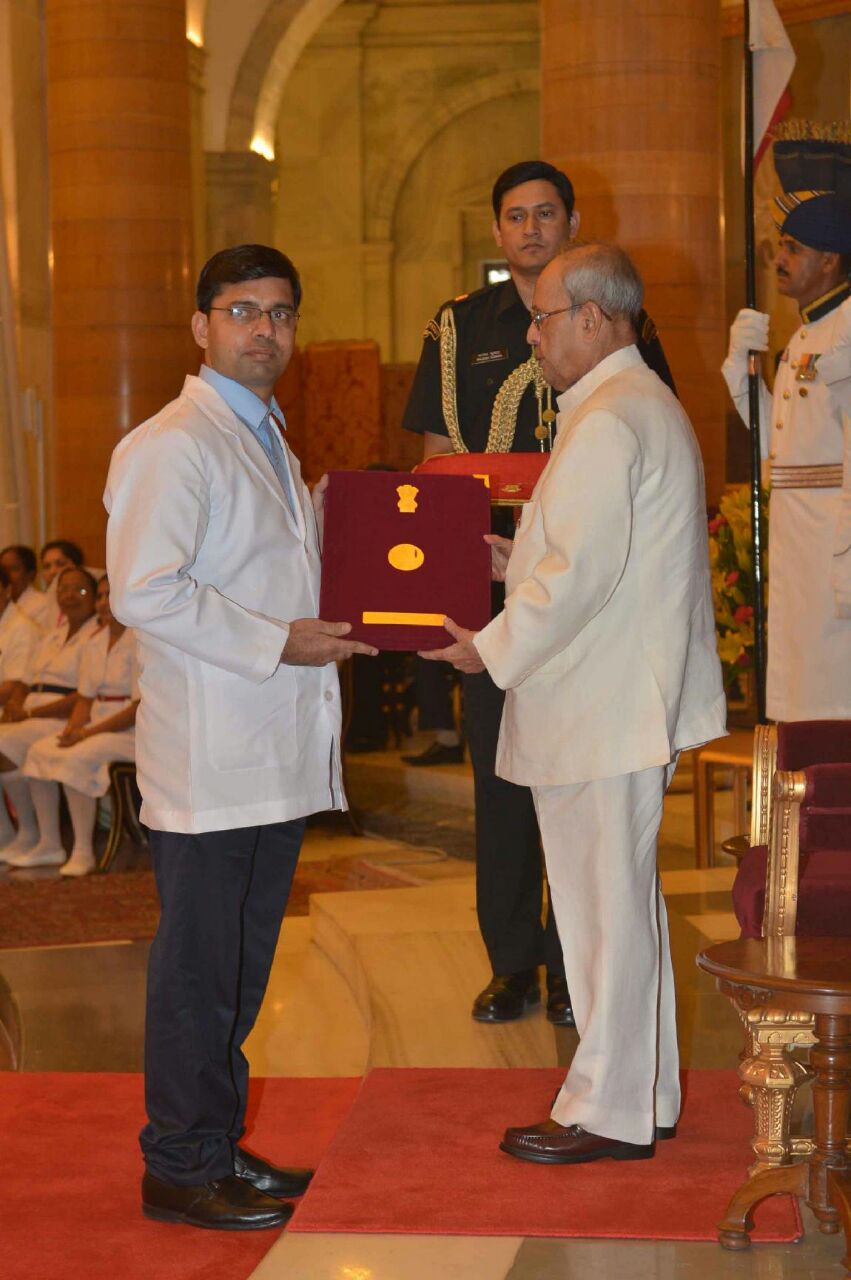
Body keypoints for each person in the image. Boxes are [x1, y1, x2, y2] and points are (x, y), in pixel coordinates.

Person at [422, 242, 725, 1163]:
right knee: (617, 907)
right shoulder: (631, 404)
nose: (531, 335)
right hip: (618, 698)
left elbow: (580, 577)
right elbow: (591, 555)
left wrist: (486, 648)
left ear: (593, 317)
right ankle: (643, 1095)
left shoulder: (605, 419)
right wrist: (512, 559)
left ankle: (603, 1109)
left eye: (543, 317)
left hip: (602, 703)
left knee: (600, 915)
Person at [104, 243, 377, 1232]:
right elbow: (144, 590)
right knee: (198, 974)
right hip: (211, 758)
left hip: (268, 753)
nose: (265, 329)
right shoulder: (173, 443)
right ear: (201, 326)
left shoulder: (266, 437)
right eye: (242, 310)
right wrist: (278, 642)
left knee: (238, 971)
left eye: (281, 313)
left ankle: (214, 1145)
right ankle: (179, 1165)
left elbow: (274, 568)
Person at [402, 159, 676, 1027]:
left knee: (579, 785)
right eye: (514, 216)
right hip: (494, 580)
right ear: (496, 231)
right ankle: (513, 961)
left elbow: (637, 441)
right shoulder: (459, 325)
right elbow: (438, 461)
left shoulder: (615, 322)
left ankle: (572, 968)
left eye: (545, 213)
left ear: (571, 223)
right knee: (501, 780)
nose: (529, 229)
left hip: (587, 592)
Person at [722, 192, 851, 719]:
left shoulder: (845, 330)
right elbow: (778, 448)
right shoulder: (805, 335)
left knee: (833, 692)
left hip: (832, 540)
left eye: (794, 249)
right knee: (804, 690)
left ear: (830, 259)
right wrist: (740, 366)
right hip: (799, 540)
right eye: (781, 246)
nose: (779, 259)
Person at [22, 574, 138, 877]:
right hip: (96, 727)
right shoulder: (94, 642)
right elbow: (85, 700)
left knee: (76, 756)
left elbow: (136, 709)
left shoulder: (140, 640)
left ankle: (83, 851)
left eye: (110, 595)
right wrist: (71, 730)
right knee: (40, 750)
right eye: (99, 596)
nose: (103, 603)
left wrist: (85, 733)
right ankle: (49, 844)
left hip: (132, 732)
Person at [0, 566, 99, 865]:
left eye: (79, 589)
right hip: (32, 714)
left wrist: (29, 712)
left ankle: (31, 833)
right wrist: (15, 708)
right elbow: (26, 682)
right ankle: (15, 833)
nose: (69, 596)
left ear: (95, 596)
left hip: (63, 717)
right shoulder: (52, 637)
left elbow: (82, 695)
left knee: (4, 744)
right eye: (63, 589)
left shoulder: (96, 636)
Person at [0, 566, 40, 847]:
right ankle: (3, 832)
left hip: (20, 709)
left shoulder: (21, 627)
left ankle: (27, 830)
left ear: (7, 590)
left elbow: (13, 686)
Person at [0, 544, 51, 631]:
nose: (7, 575)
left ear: (31, 574)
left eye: (14, 569)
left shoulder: (43, 604)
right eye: (3, 569)